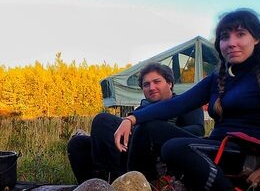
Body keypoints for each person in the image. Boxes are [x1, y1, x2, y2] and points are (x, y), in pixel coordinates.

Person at [113, 8, 260, 191]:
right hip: (219, 150)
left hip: (248, 155)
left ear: (257, 39)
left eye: (240, 34)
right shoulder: (218, 78)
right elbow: (176, 104)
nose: (231, 42)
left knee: (174, 148)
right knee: (148, 128)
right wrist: (132, 118)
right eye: (225, 37)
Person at [67, 62, 204, 183]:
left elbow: (197, 131)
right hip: (127, 151)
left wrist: (159, 129)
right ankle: (93, 187)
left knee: (103, 119)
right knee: (78, 144)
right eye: (146, 84)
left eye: (157, 82)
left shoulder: (184, 103)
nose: (151, 87)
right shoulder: (142, 108)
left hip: (154, 155)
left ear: (169, 83)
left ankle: (115, 182)